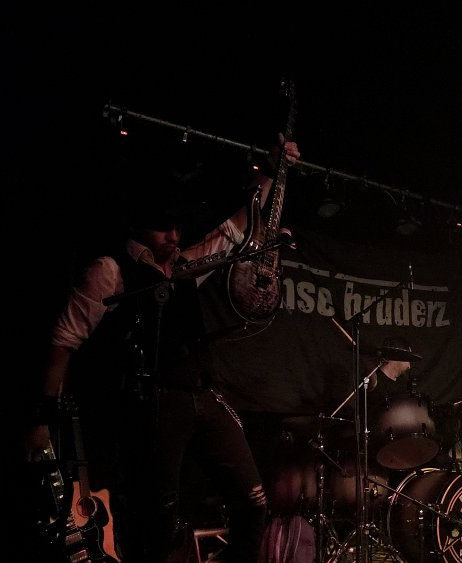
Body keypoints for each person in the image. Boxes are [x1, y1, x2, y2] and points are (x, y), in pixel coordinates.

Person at [23, 139, 301, 562]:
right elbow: (63, 341)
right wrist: (41, 417)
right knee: (157, 523)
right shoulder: (110, 271)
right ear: (139, 226)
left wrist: (272, 172)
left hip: (203, 394)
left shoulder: (185, 263)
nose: (174, 237)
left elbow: (238, 229)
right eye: (163, 228)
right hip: (153, 405)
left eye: (177, 228)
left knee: (253, 503)